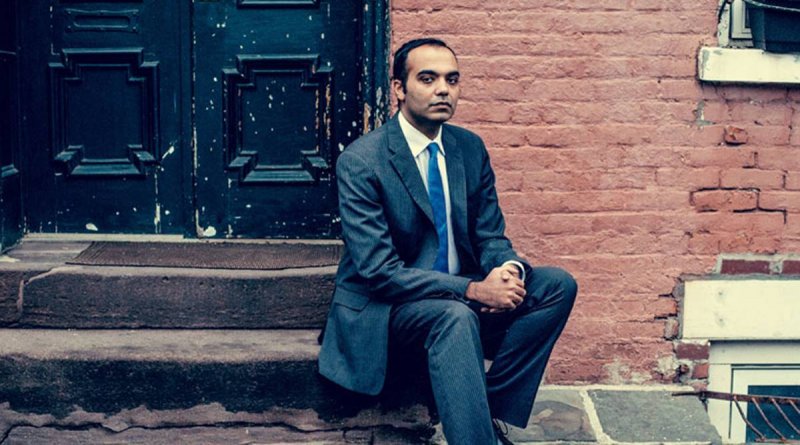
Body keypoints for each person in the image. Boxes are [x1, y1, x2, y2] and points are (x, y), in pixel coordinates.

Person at [318, 38, 577, 445]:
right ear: (399, 90)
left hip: (462, 296)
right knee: (453, 317)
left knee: (556, 285)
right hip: (389, 311)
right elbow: (380, 274)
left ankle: (482, 412)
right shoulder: (362, 160)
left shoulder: (468, 149)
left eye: (452, 80)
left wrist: (506, 271)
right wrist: (473, 289)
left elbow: (490, 235)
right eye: (428, 78)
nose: (443, 89)